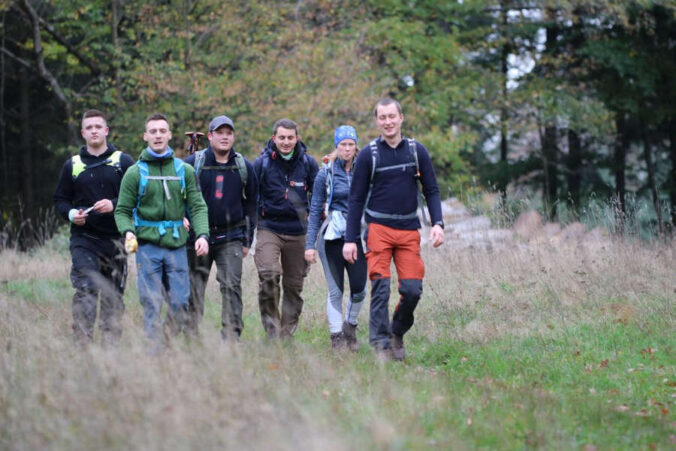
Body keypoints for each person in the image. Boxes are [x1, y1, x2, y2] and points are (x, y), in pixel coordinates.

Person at [343, 98, 445, 361]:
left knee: (412, 290)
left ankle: (397, 331)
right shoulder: (368, 155)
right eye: (382, 118)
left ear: (401, 118)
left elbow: (432, 190)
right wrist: (351, 239)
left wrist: (437, 224)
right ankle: (381, 347)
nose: (387, 122)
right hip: (378, 229)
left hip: (409, 230)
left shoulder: (416, 151)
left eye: (392, 116)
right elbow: (355, 199)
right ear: (377, 121)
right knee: (380, 288)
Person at [114, 113, 209, 343]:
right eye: (153, 131)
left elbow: (197, 207)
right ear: (146, 136)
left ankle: (165, 340)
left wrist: (203, 235)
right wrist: (127, 231)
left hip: (177, 246)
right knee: (151, 303)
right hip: (146, 247)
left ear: (169, 135)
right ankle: (155, 356)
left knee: (179, 303)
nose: (157, 135)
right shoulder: (134, 172)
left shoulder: (184, 171)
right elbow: (122, 211)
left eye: (162, 131)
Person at [54, 109, 135, 345]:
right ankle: (83, 345)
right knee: (86, 290)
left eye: (98, 126)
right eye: (89, 128)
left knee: (112, 296)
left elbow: (137, 197)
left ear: (106, 130)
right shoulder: (73, 165)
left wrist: (114, 204)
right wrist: (70, 214)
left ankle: (111, 348)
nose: (94, 131)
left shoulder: (123, 161)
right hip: (84, 239)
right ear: (83, 133)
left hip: (116, 240)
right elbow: (60, 199)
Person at [184, 115, 257, 340]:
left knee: (232, 285)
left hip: (231, 236)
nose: (225, 137)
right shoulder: (192, 163)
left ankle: (232, 337)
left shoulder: (244, 166)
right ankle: (191, 335)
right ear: (210, 136)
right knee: (194, 287)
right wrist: (180, 218)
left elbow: (252, 203)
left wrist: (247, 239)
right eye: (220, 132)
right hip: (196, 237)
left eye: (229, 133)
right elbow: (177, 194)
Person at [253, 118, 319, 339]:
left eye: (290, 137)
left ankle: (286, 333)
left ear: (297, 138)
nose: (286, 142)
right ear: (274, 138)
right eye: (281, 137)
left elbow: (319, 195)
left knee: (293, 285)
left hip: (299, 231)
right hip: (268, 227)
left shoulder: (309, 164)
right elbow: (250, 196)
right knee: (269, 275)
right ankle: (272, 330)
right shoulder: (260, 164)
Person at [305, 125, 367, 351]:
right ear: (336, 146)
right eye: (343, 145)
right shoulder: (325, 173)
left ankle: (350, 326)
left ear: (356, 146)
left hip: (358, 235)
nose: (347, 149)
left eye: (351, 144)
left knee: (360, 288)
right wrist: (309, 245)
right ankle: (336, 337)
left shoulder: (364, 169)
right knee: (336, 290)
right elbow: (314, 211)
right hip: (331, 237)